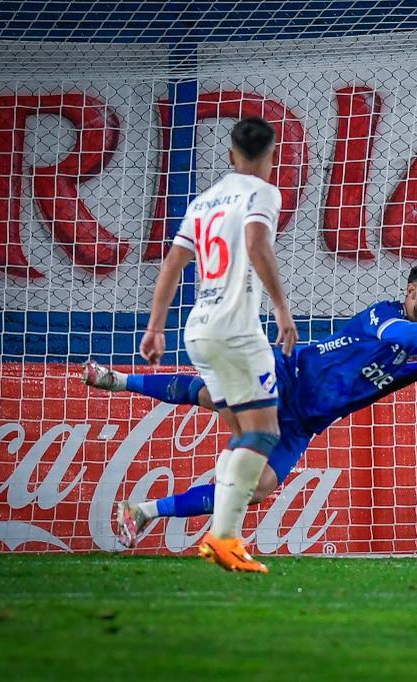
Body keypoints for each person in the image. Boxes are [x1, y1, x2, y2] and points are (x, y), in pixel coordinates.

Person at [87, 262, 417, 564]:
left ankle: (142, 511)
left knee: (255, 489)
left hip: (305, 423)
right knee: (216, 398)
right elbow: (403, 333)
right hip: (288, 373)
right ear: (411, 292)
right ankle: (120, 380)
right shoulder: (383, 314)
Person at [139, 116, 298, 573]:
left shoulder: (204, 200)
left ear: (231, 154)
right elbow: (255, 241)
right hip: (235, 331)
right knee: (264, 433)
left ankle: (224, 536)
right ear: (272, 155)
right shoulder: (263, 192)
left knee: (242, 432)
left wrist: (155, 327)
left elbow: (172, 263)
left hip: (198, 330)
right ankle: (224, 538)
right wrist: (283, 309)